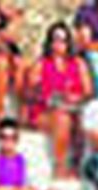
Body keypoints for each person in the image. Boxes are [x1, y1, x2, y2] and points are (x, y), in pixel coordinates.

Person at [26, 22, 90, 178]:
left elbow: (88, 91)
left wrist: (75, 97)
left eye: (63, 39)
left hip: (72, 108)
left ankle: (77, 165)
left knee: (80, 118)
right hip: (45, 112)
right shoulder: (41, 64)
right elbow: (29, 93)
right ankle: (60, 166)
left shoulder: (78, 64)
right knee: (62, 119)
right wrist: (45, 93)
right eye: (55, 39)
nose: (59, 44)